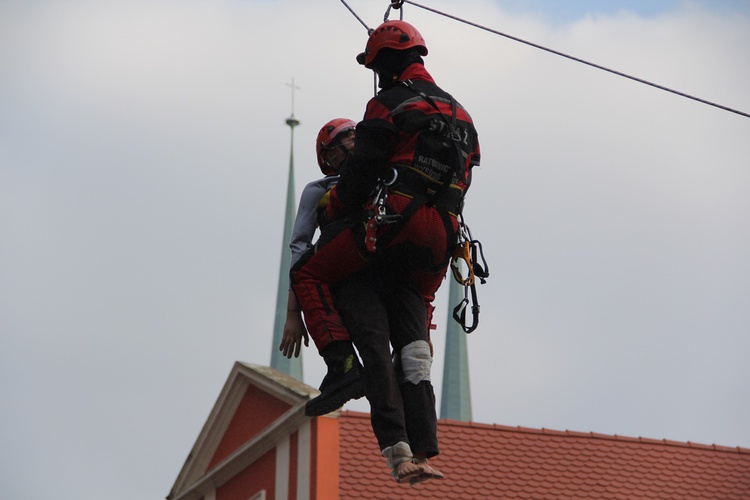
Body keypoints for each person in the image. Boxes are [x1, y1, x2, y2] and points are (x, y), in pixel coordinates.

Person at [289, 20, 481, 484]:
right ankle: (423, 450)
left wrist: (343, 208)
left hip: (390, 227)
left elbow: (363, 173)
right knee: (415, 352)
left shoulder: (386, 104)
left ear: (382, 66)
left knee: (309, 276)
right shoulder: (462, 115)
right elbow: (467, 175)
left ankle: (341, 367)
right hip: (438, 241)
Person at [278, 118, 366, 417]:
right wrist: (293, 313)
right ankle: (343, 363)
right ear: (329, 155)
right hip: (344, 263)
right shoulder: (319, 190)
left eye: (356, 133)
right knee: (306, 271)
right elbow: (299, 245)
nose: (354, 137)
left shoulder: (378, 172)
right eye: (347, 136)